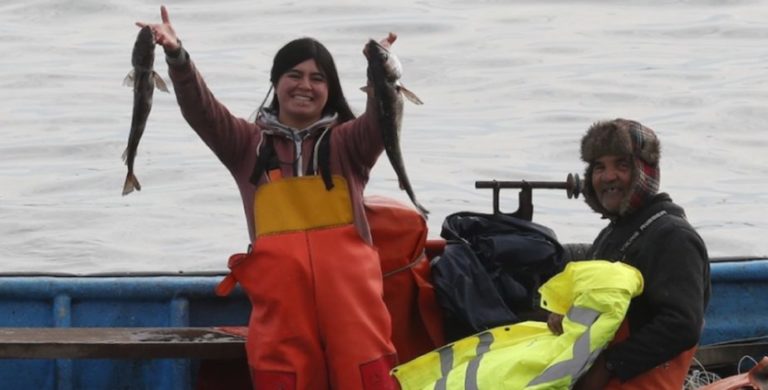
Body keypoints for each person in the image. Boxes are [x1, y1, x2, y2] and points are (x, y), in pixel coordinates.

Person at [137, 6, 401, 389]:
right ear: (276, 83)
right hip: (281, 322)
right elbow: (202, 110)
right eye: (293, 75)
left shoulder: (350, 144)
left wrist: (380, 74)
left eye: (317, 78)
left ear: (330, 91)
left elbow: (383, 119)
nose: (304, 85)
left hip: (356, 319)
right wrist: (177, 56)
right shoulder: (246, 145)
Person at [548, 118, 711, 389]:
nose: (608, 176)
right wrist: (565, 315)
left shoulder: (673, 237)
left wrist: (610, 364)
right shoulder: (612, 234)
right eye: (599, 167)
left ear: (644, 171)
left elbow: (682, 324)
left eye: (621, 165)